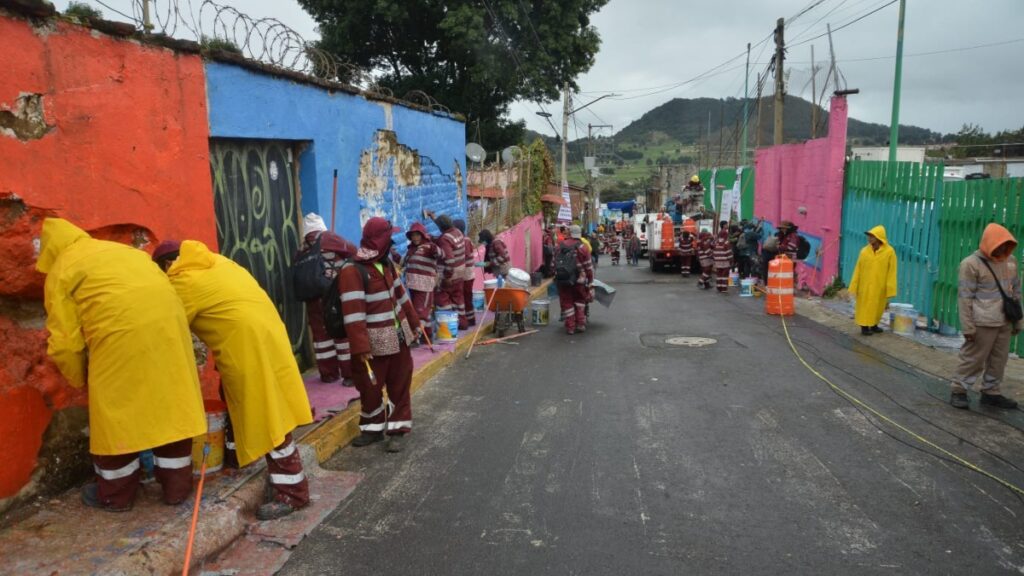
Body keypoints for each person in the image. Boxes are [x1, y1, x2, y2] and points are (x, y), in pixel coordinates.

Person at [36, 218, 206, 513]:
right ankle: (177, 488)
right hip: (170, 336)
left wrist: (77, 379)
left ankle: (117, 495)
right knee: (171, 409)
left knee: (115, 417)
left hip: (119, 341)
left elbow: (65, 342)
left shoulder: (62, 269)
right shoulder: (125, 252)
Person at [155, 239, 313, 521]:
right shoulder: (220, 263)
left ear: (168, 265)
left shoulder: (183, 282)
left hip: (246, 348)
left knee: (269, 418)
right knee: (238, 397)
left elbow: (168, 329)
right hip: (269, 335)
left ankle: (294, 492)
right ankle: (237, 455)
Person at [339, 217, 423, 451]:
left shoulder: (386, 265)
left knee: (400, 384)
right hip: (373, 344)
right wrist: (360, 348)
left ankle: (398, 429)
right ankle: (373, 429)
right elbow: (353, 313)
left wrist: (415, 324)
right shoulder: (352, 271)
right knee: (370, 387)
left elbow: (402, 296)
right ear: (380, 240)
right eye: (389, 237)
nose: (392, 242)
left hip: (399, 338)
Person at [949, 223, 1021, 410]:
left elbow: (1016, 292)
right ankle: (959, 390)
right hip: (982, 322)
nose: (1002, 249)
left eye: (1006, 245)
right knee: (973, 359)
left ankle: (991, 392)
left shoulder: (1011, 261)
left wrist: (1018, 320)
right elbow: (965, 298)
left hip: (1004, 321)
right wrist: (968, 326)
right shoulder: (970, 264)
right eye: (999, 245)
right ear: (989, 243)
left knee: (999, 360)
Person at [296, 213, 358, 385]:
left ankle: (328, 374)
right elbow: (353, 251)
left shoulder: (302, 247)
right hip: (332, 293)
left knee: (320, 336)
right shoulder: (329, 237)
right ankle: (349, 374)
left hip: (312, 297)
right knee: (340, 331)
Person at [848, 226, 897, 336]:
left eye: (872, 236)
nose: (869, 238)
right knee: (864, 305)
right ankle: (864, 327)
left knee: (878, 306)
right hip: (864, 284)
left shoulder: (889, 252)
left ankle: (874, 324)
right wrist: (854, 285)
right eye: (869, 236)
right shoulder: (864, 251)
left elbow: (892, 271)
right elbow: (858, 269)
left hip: (880, 285)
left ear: (879, 237)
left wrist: (890, 288)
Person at [426, 211, 468, 331]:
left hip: (450, 275)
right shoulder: (458, 232)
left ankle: (449, 327)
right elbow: (445, 240)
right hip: (461, 273)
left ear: (441, 227)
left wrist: (447, 277)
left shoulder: (444, 239)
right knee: (458, 299)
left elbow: (449, 260)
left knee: (442, 299)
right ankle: (462, 323)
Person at [554, 225, 594, 335]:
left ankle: (570, 327)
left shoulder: (559, 246)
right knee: (580, 301)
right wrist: (590, 282)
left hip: (563, 280)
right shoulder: (583, 247)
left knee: (567, 302)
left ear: (569, 233)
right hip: (579, 281)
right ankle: (580, 324)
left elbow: (554, 264)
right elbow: (589, 268)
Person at [403, 222, 439, 341]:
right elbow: (402, 262)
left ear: (423, 235)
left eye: (418, 235)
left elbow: (440, 254)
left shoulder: (429, 247)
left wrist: (434, 246)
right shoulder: (411, 250)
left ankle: (422, 336)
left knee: (422, 313)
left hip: (425, 286)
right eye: (413, 235)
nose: (415, 238)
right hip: (413, 286)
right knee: (419, 312)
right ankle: (426, 337)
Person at [454, 219, 476, 328]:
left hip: (467, 274)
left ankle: (470, 320)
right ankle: (469, 318)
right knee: (465, 296)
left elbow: (465, 255)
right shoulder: (463, 240)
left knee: (466, 296)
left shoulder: (465, 240)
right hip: (466, 273)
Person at [712, 229, 734, 293]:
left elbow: (713, 250)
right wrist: (731, 260)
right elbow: (729, 253)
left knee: (719, 274)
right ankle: (724, 288)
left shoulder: (715, 242)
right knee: (724, 275)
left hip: (717, 261)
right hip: (725, 261)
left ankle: (719, 287)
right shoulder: (726, 242)